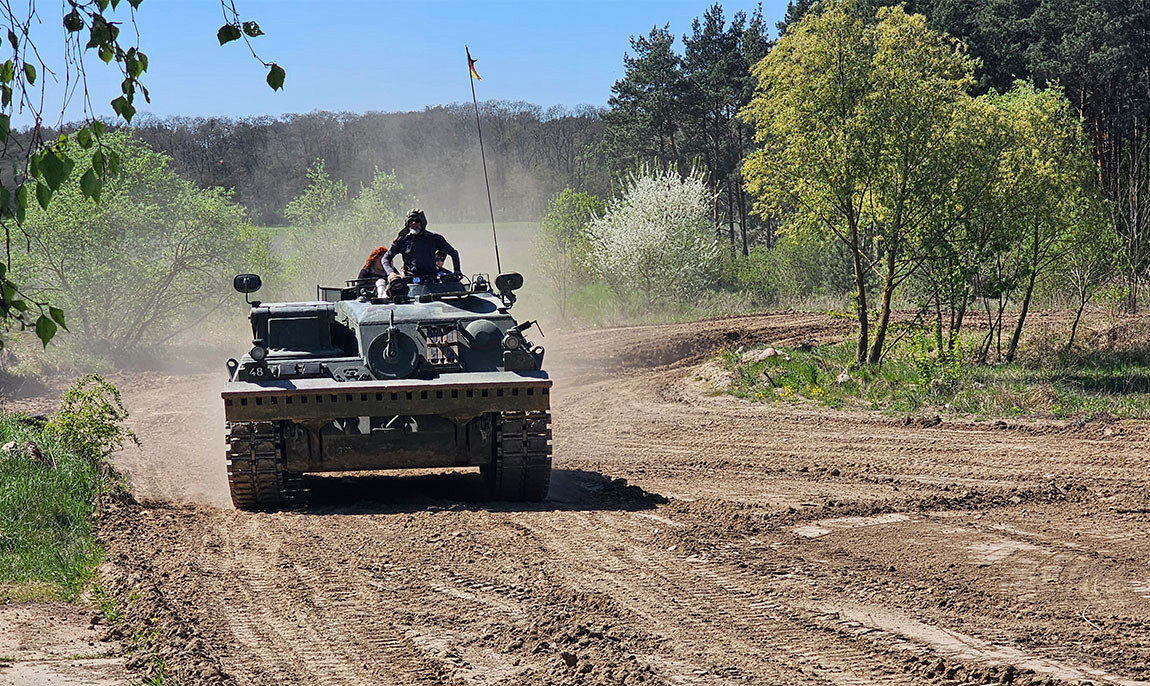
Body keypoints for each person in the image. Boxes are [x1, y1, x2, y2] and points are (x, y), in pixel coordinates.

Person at [382, 209, 461, 285]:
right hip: (410, 283)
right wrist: (391, 273)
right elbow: (385, 259)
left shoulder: (434, 238)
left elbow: (453, 252)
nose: (414, 223)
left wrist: (457, 271)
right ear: (407, 223)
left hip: (431, 281)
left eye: (417, 221)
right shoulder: (402, 240)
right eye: (411, 221)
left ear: (422, 222)